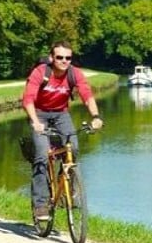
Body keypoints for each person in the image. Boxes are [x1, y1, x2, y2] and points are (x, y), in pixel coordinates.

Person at [22, 41, 103, 221]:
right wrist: (35, 121)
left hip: (61, 114)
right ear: (52, 58)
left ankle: (65, 184)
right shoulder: (41, 72)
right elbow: (28, 99)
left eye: (68, 58)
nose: (64, 61)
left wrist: (96, 117)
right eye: (60, 57)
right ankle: (41, 205)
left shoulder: (74, 73)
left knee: (73, 148)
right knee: (42, 155)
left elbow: (87, 95)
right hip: (39, 114)